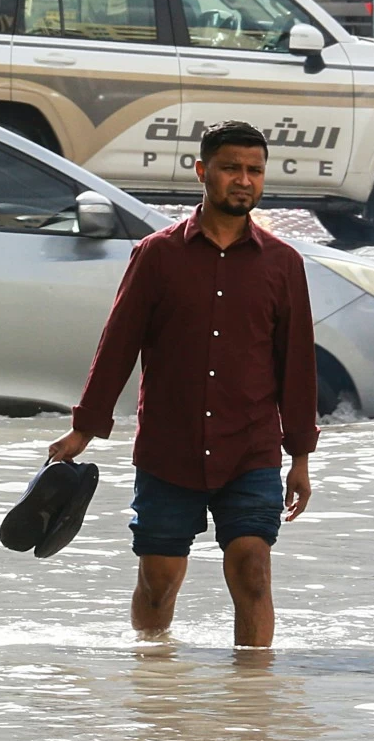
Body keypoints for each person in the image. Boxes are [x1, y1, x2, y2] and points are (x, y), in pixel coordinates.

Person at [49, 121, 318, 650]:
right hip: (169, 450)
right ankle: (155, 689)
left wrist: (300, 457)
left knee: (253, 573)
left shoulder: (283, 265)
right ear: (202, 171)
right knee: (158, 583)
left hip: (250, 448)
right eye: (230, 169)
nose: (244, 181)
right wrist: (84, 431)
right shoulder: (157, 254)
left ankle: (252, 706)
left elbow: (297, 367)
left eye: (254, 171)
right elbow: (117, 346)